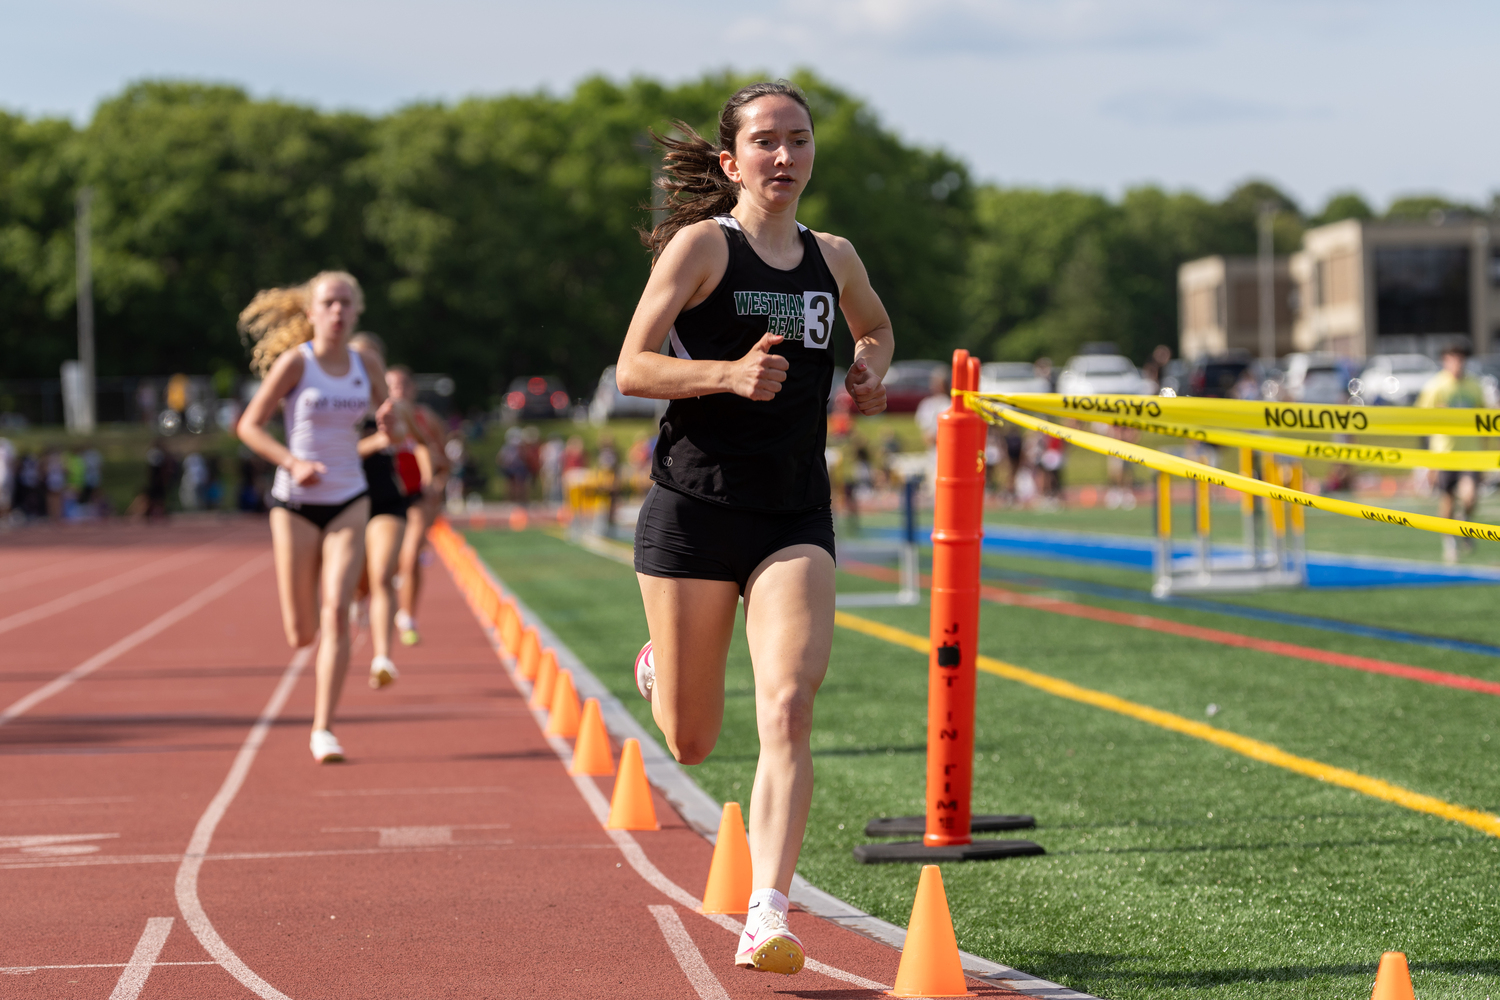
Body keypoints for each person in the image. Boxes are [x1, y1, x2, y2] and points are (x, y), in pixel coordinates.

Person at [614, 80, 893, 975]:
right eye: (767, 142)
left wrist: (868, 363)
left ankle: (766, 911)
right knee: (693, 738)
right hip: (693, 511)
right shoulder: (704, 248)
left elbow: (878, 326)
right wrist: (726, 377)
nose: (785, 156)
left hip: (792, 516)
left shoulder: (834, 257)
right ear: (733, 162)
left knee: (786, 705)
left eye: (800, 140)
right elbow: (631, 366)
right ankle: (660, 668)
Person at [236, 271, 388, 763]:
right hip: (296, 505)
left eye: (346, 303)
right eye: (329, 303)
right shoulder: (294, 365)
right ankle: (315, 642)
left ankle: (324, 728)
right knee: (301, 631)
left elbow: (394, 417)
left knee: (336, 612)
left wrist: (395, 422)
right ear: (311, 312)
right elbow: (249, 426)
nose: (338, 311)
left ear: (357, 310)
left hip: (350, 497)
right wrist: (292, 462)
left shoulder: (366, 363)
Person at [349, 332, 436, 689]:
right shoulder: (336, 407)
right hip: (346, 500)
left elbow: (421, 440)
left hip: (386, 500)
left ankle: (382, 658)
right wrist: (379, 441)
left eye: (371, 363)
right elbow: (337, 454)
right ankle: (359, 599)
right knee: (360, 579)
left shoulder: (394, 407)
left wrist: (429, 474)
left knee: (385, 573)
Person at [386, 364, 449, 646]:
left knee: (410, 555)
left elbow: (444, 461)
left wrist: (435, 483)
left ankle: (408, 617)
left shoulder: (426, 418)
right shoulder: (378, 418)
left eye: (401, 386)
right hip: (385, 495)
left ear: (411, 389)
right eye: (391, 386)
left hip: (417, 494)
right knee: (382, 562)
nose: (397, 392)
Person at [1417, 341, 1485, 562]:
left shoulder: (1474, 386)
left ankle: (1464, 522)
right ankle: (1449, 540)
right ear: (1445, 361)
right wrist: (1428, 461)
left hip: (1470, 454)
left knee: (1470, 496)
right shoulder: (1436, 386)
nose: (1457, 363)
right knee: (1446, 500)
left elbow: (1485, 421)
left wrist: (1486, 456)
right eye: (1452, 358)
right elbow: (1419, 422)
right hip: (1443, 454)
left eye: (1460, 358)